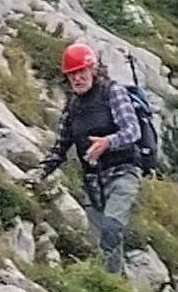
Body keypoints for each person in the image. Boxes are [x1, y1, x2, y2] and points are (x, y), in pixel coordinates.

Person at [27, 43, 142, 274]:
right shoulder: (72, 107)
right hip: (92, 183)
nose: (77, 78)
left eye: (82, 71)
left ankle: (111, 287)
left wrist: (107, 142)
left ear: (93, 70)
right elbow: (60, 147)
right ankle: (115, 290)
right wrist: (38, 173)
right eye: (72, 74)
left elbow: (133, 130)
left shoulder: (113, 92)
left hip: (123, 173)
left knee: (111, 227)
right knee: (102, 243)